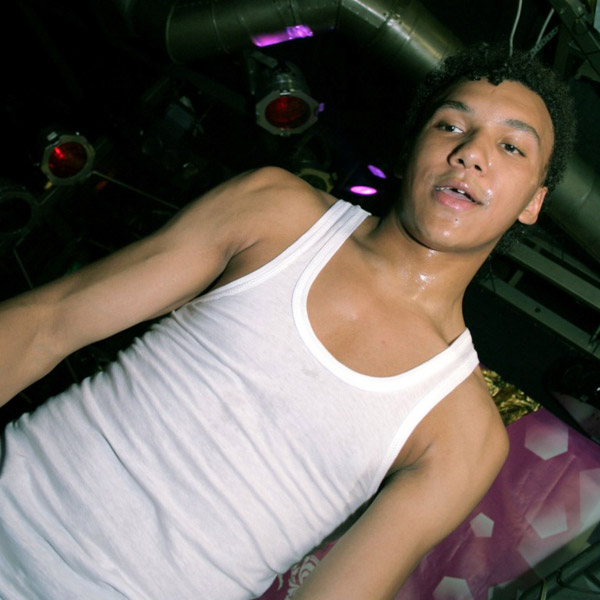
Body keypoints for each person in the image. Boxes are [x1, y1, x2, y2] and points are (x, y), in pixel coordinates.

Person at [0, 43, 576, 599]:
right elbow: (48, 323)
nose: (471, 153)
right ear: (409, 151)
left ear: (533, 202)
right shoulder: (276, 212)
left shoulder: (464, 431)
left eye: (511, 147)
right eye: (450, 125)